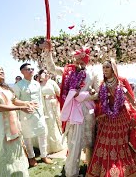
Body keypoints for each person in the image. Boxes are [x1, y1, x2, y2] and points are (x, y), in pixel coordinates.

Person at [41, 42, 99, 177]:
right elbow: (51, 67)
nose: (77, 61)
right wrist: (48, 52)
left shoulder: (93, 73)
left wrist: (83, 96)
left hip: (87, 111)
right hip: (72, 111)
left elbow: (97, 93)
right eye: (76, 58)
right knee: (74, 143)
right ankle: (71, 172)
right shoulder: (68, 70)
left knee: (90, 141)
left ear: (86, 58)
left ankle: (90, 168)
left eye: (80, 58)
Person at [86, 60, 136, 177]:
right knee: (105, 141)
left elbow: (132, 100)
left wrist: (125, 93)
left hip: (121, 116)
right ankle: (103, 168)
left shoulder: (122, 81)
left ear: (113, 69)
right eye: (103, 67)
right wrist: (91, 94)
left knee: (121, 143)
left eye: (107, 67)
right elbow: (100, 99)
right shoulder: (103, 84)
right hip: (107, 117)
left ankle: (125, 168)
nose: (105, 70)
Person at [13, 63, 52, 167]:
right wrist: (24, 106)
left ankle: (44, 155)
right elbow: (14, 100)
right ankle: (31, 157)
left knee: (43, 133)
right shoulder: (18, 85)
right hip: (26, 114)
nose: (31, 71)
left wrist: (43, 112)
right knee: (27, 136)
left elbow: (40, 98)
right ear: (22, 72)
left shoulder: (36, 83)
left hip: (39, 113)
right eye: (28, 69)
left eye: (32, 69)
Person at [38, 69, 64, 154]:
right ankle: (47, 146)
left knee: (54, 123)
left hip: (53, 105)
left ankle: (57, 144)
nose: (46, 74)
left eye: (47, 72)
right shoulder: (38, 84)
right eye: (44, 73)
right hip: (44, 105)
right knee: (46, 124)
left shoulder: (52, 82)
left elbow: (59, 93)